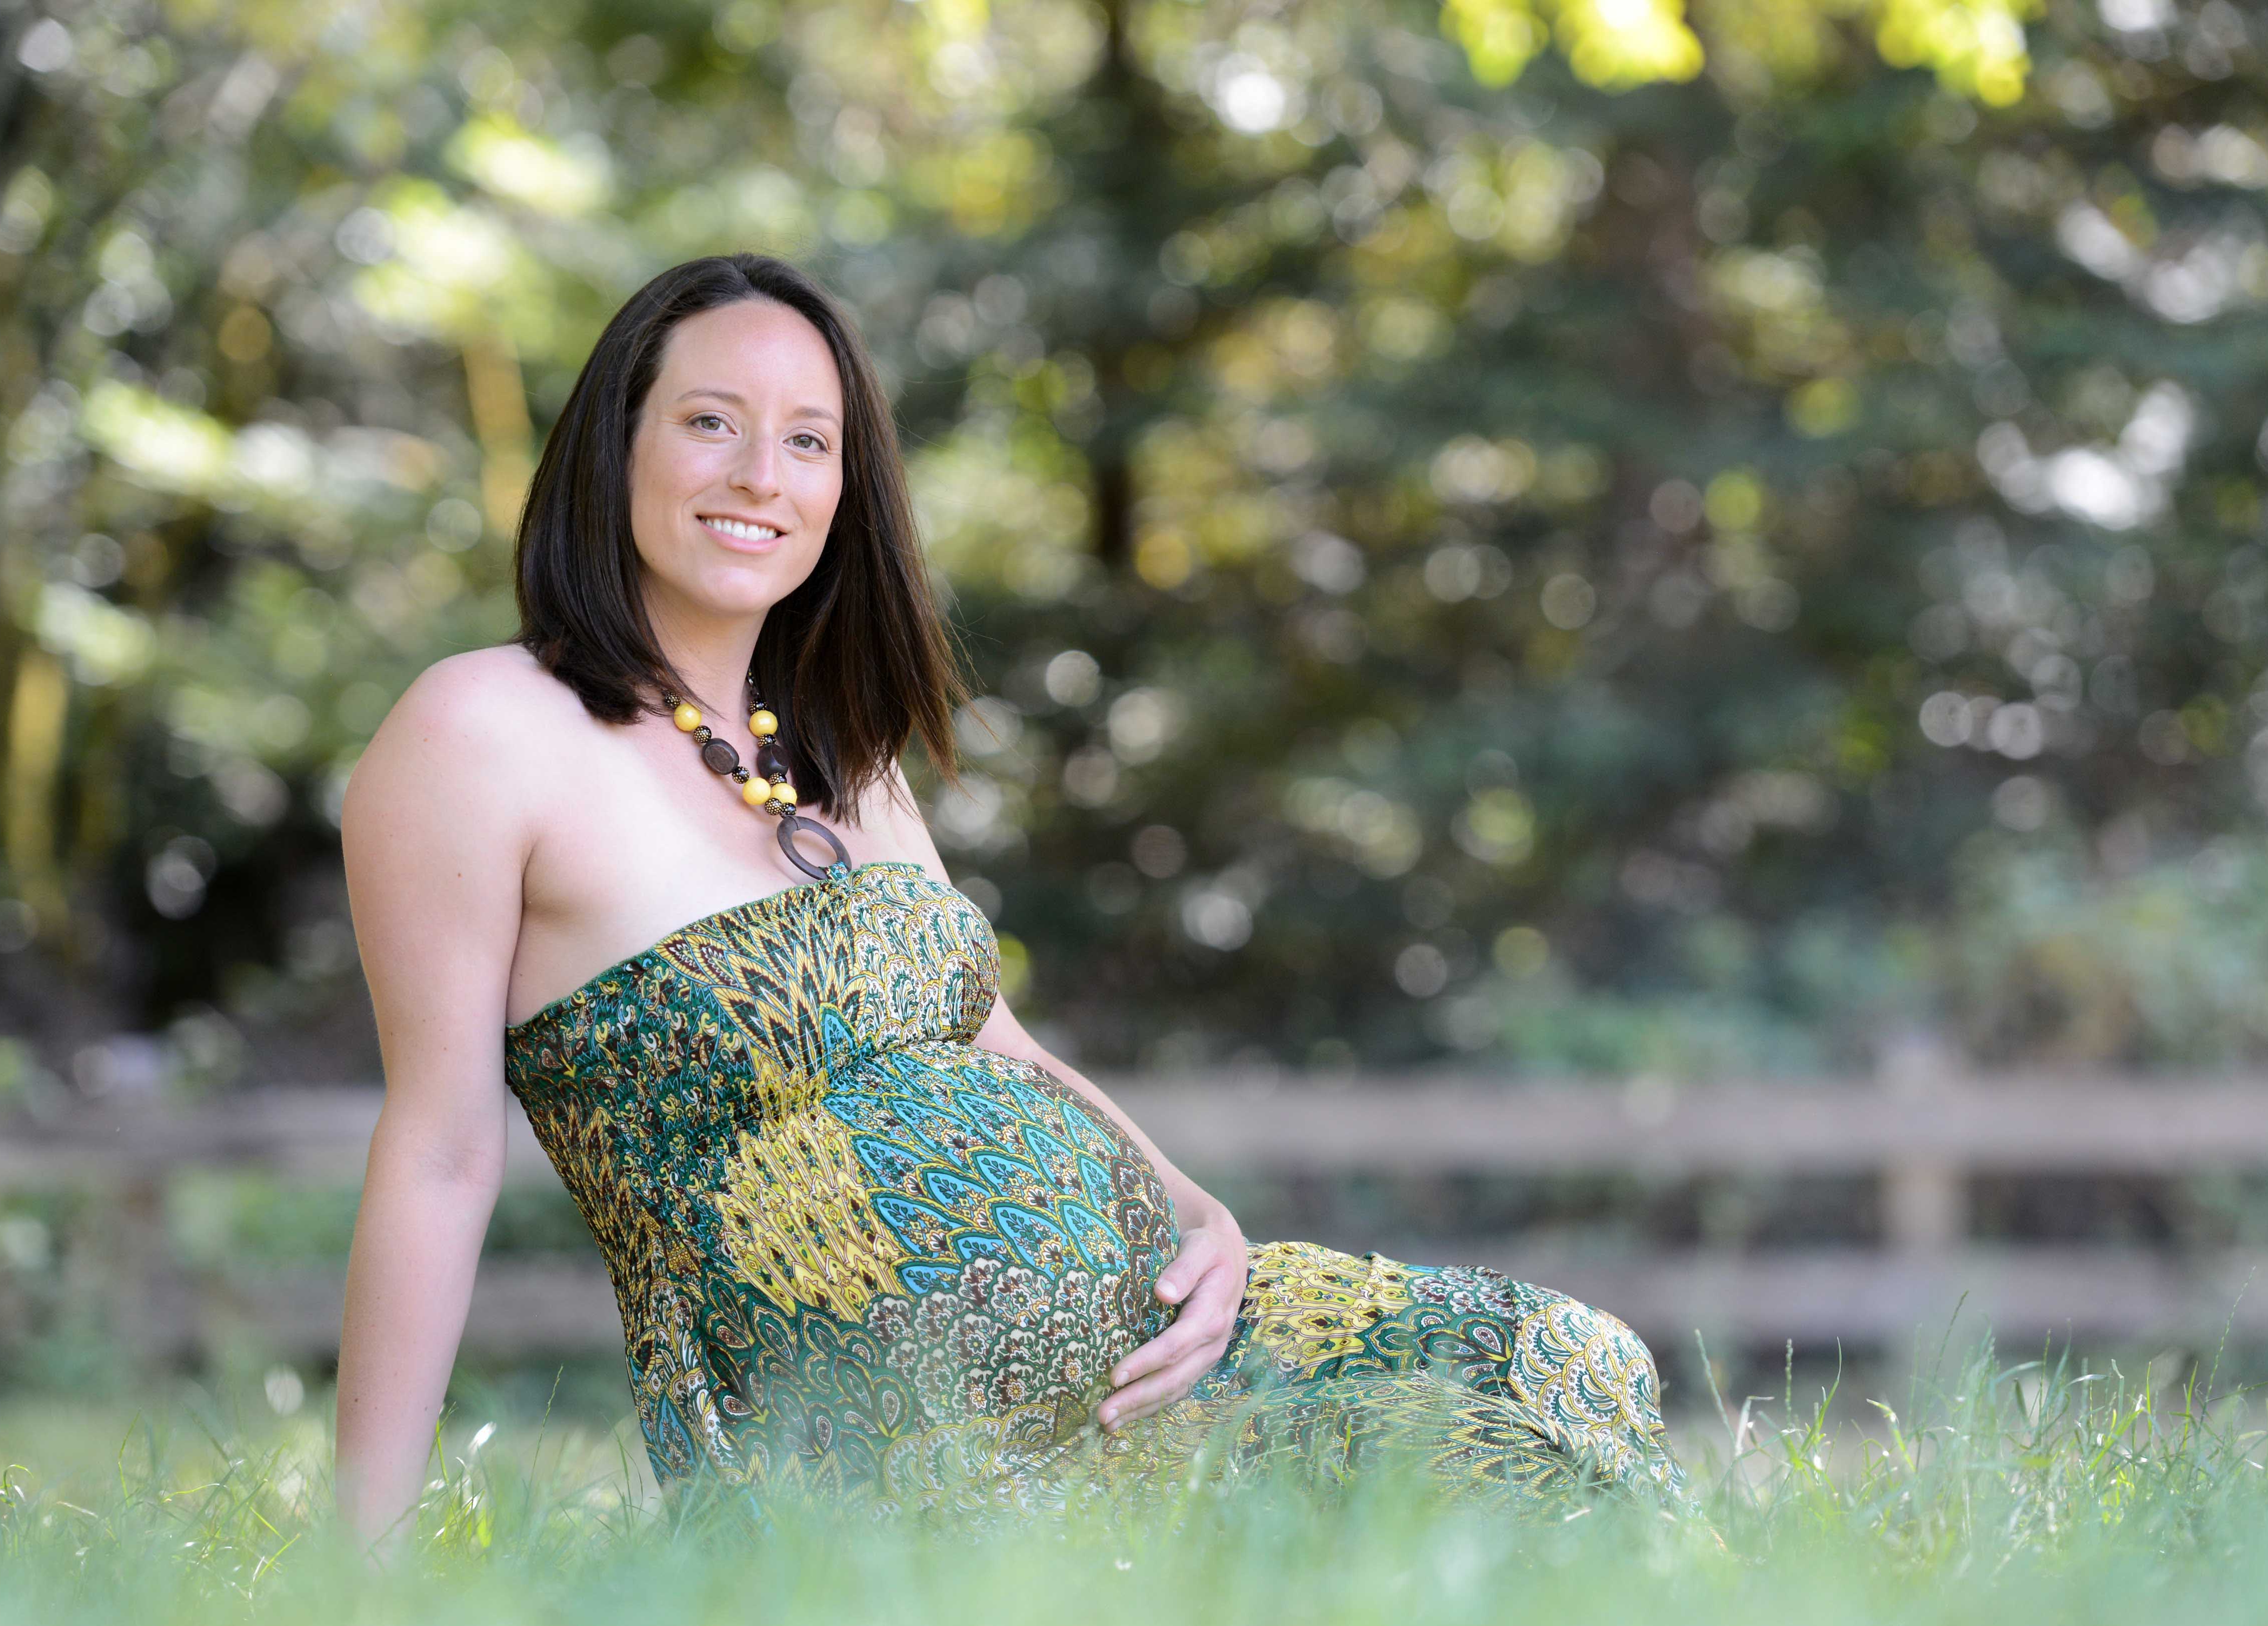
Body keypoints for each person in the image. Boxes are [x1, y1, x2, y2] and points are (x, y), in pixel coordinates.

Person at [330, 253, 1690, 1554]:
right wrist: (361, 1560)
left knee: (1570, 1356)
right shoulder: (482, 729)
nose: (762, 474)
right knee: (1506, 1469)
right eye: (711, 421)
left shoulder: (838, 758)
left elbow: (1001, 1045)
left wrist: (1197, 1215)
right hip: (912, 1443)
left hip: (1153, 1342)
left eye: (810, 441)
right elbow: (441, 1152)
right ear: (613, 444)